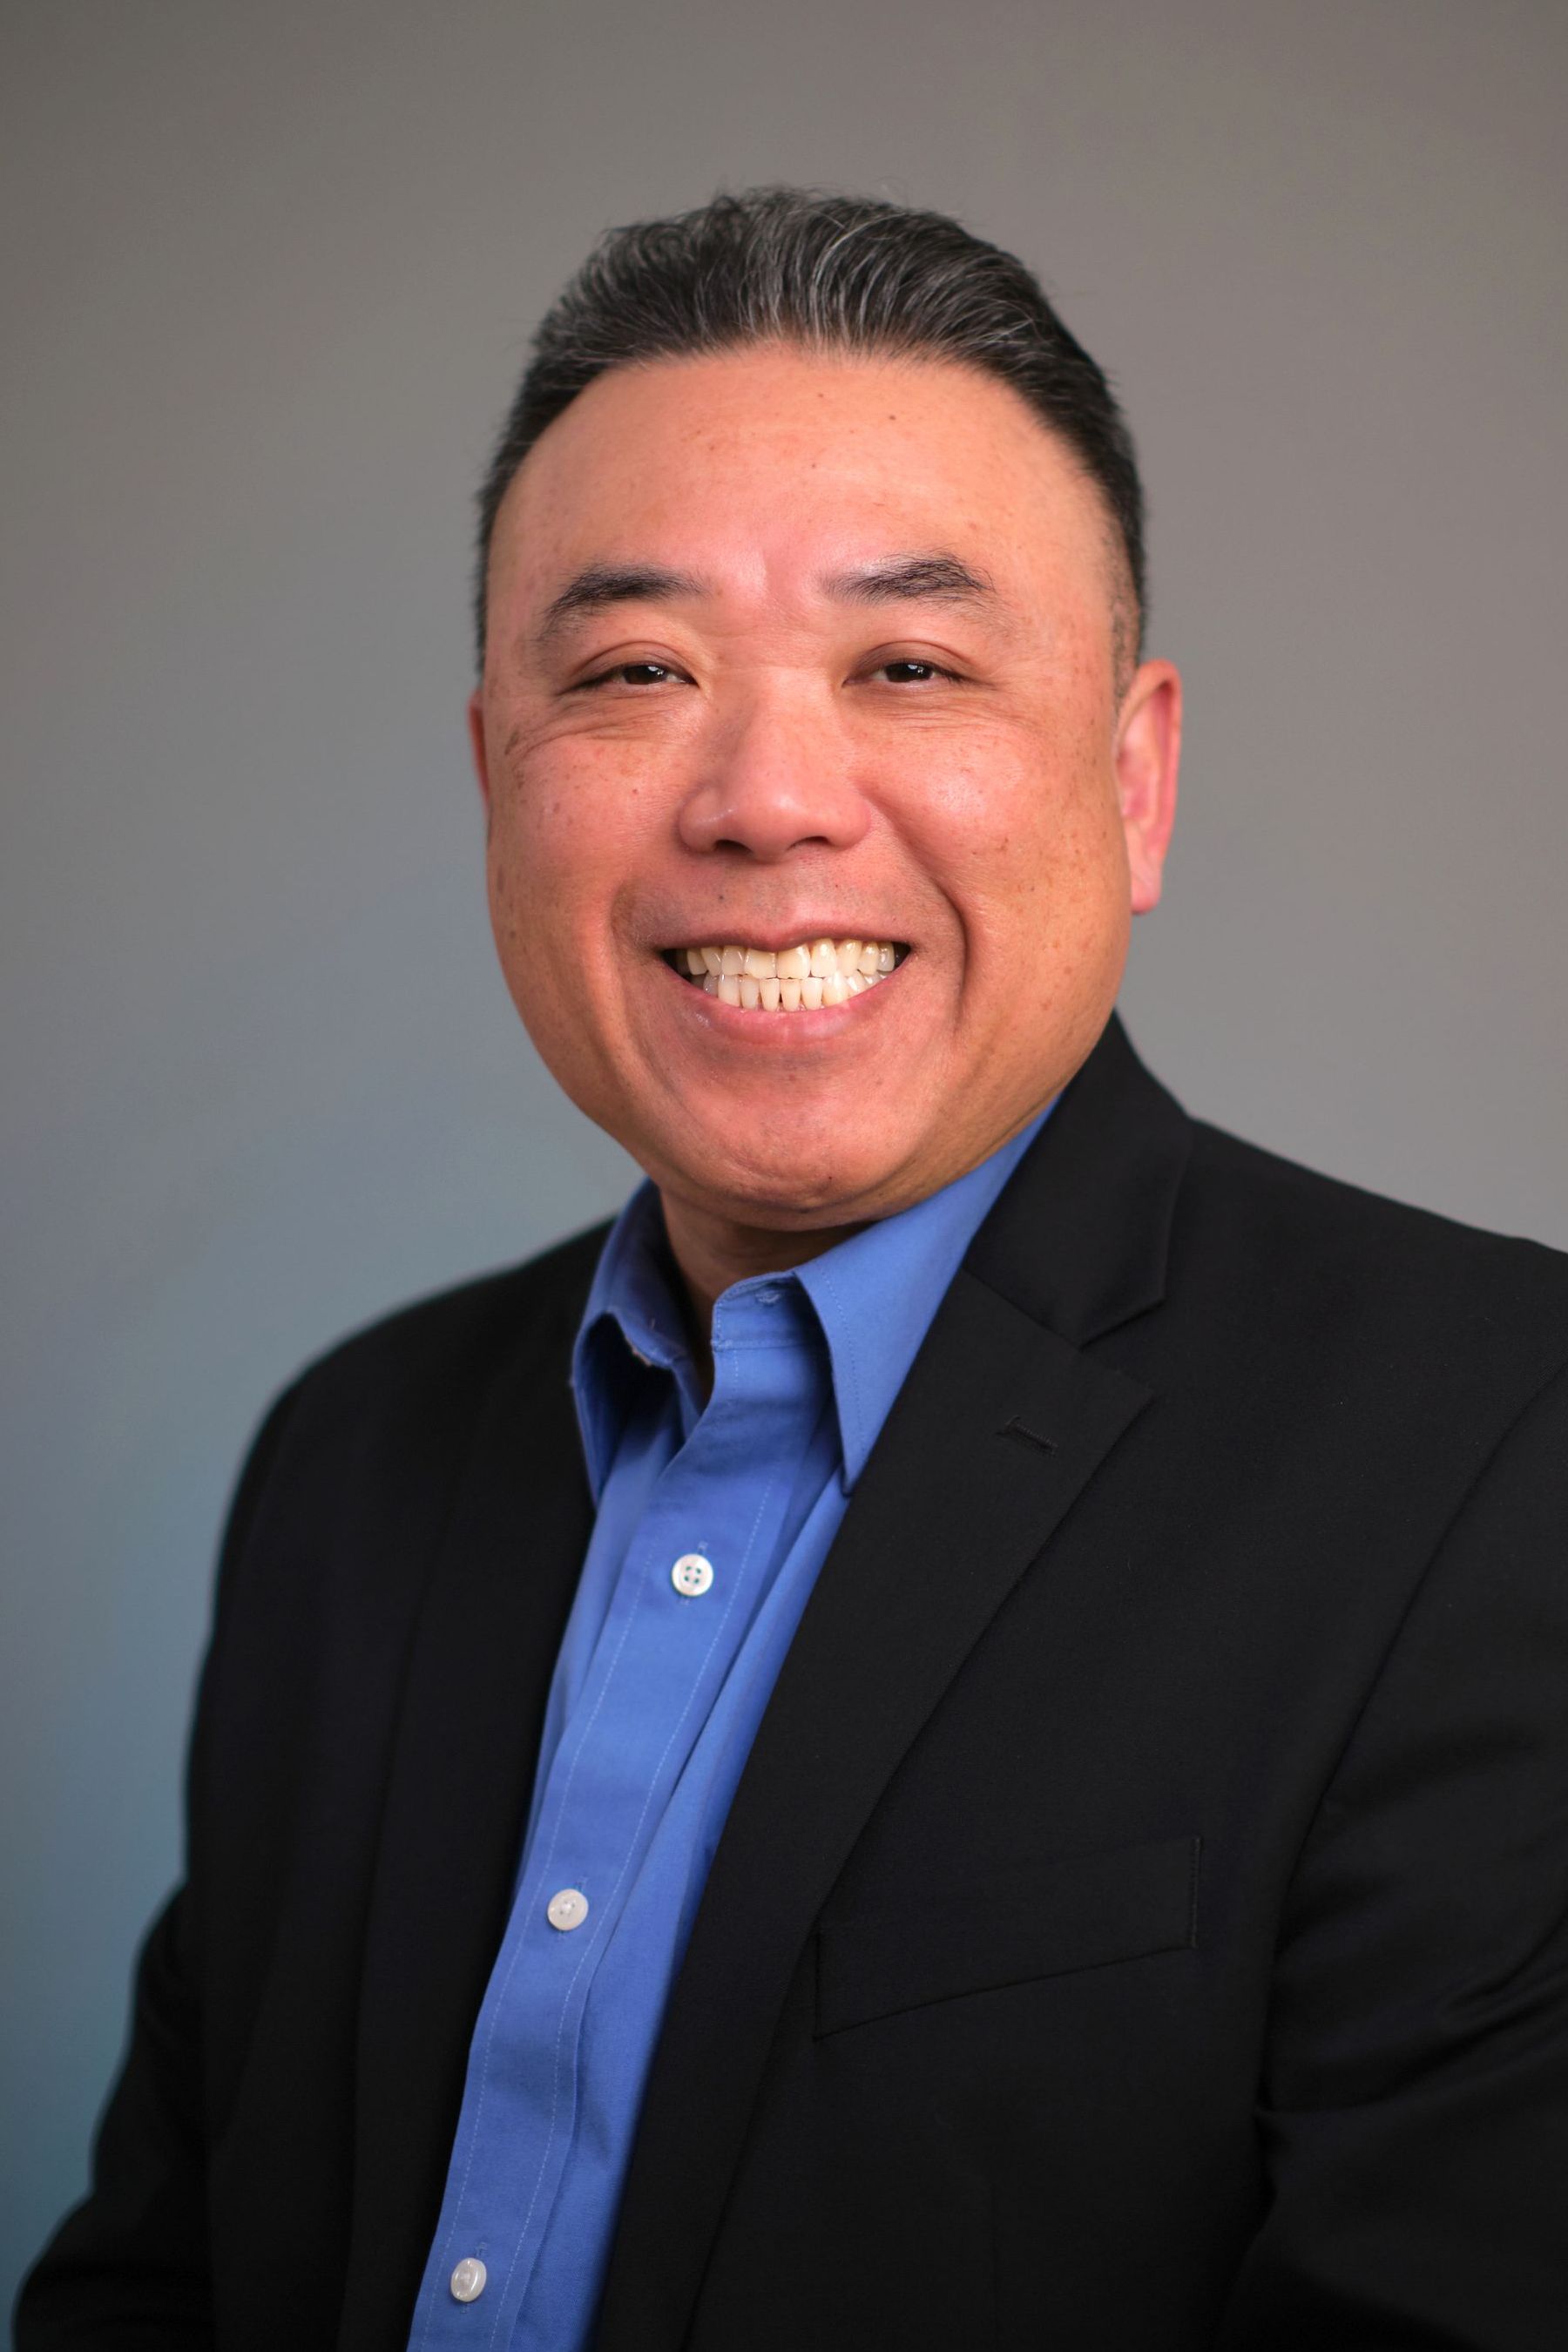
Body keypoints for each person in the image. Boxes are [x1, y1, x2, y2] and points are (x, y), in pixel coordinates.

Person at [16, 187, 1568, 2352]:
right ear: (496, 779)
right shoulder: (347, 1468)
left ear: (1134, 783)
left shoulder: (1500, 1454)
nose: (764, 799)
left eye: (911, 666)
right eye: (636, 674)